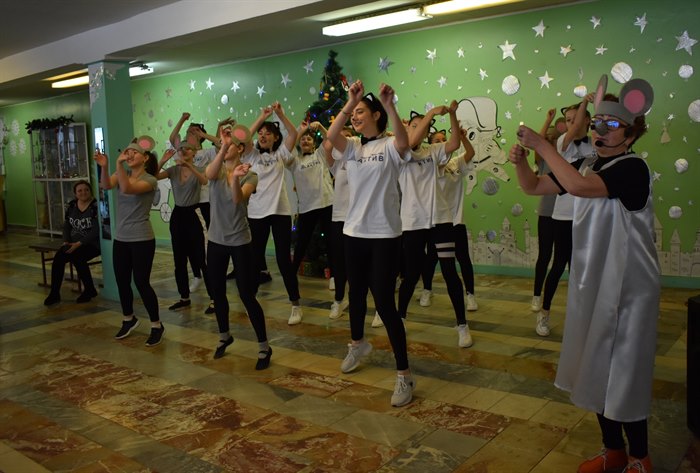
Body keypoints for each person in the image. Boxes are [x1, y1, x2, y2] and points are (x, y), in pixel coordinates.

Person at [509, 75, 657, 473]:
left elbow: (579, 187)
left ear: (630, 133)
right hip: (594, 282)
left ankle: (640, 457)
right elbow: (534, 186)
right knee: (593, 365)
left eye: (611, 125)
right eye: (597, 123)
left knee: (624, 372)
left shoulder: (632, 168)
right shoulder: (587, 163)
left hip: (629, 288)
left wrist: (543, 145)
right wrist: (522, 162)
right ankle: (613, 452)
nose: (599, 130)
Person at [327, 80, 415, 407]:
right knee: (356, 294)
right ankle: (357, 344)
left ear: (377, 115)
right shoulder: (352, 147)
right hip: (354, 232)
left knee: (385, 304)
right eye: (354, 114)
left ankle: (404, 375)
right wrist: (350, 102)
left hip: (384, 235)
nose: (355, 117)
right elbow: (331, 135)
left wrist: (390, 104)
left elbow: (405, 142)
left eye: (362, 112)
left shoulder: (390, 146)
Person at [397, 104, 474, 348]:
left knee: (450, 272)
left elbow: (455, 143)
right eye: (414, 126)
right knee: (411, 275)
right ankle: (400, 319)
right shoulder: (401, 152)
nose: (418, 129)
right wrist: (430, 115)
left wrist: (451, 113)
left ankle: (462, 325)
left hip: (441, 219)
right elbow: (411, 143)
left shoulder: (433, 150)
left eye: (422, 126)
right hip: (413, 222)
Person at [205, 123, 272, 369]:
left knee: (246, 295)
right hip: (216, 240)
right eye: (222, 144)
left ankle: (264, 346)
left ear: (241, 148)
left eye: (230, 143)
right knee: (217, 292)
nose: (223, 146)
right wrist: (223, 148)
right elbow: (210, 175)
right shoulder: (217, 168)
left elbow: (237, 199)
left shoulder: (250, 174)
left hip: (240, 241)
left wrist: (234, 177)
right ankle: (224, 336)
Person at [95, 136, 164, 347]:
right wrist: (105, 166)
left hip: (142, 238)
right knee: (122, 280)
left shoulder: (150, 180)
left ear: (145, 158)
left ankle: (156, 325)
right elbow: (105, 185)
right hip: (121, 238)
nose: (130, 155)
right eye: (128, 152)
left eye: (134, 152)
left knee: (141, 282)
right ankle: (128, 319)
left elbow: (127, 189)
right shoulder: (121, 175)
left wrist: (117, 164)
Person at [534, 96, 593, 337]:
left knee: (583, 269)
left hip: (588, 216)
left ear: (588, 120)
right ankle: (544, 313)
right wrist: (584, 103)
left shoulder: (595, 145)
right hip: (564, 215)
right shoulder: (562, 143)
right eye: (567, 120)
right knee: (559, 264)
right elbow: (575, 129)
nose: (571, 124)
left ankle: (584, 316)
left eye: (575, 119)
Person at [243, 102, 302, 324]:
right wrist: (262, 117)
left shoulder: (280, 154)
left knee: (283, 260)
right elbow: (243, 139)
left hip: (280, 212)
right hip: (256, 213)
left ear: (276, 138)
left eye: (268, 133)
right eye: (261, 133)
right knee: (254, 259)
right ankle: (251, 302)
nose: (263, 135)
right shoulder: (251, 155)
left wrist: (280, 114)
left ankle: (295, 304)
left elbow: (293, 134)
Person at [156, 141, 213, 312]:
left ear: (194, 152)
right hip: (178, 215)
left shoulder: (200, 169)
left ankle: (214, 299)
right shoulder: (173, 170)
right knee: (179, 259)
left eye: (187, 148)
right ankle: (184, 297)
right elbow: (153, 176)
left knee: (202, 259)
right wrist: (162, 160)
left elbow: (204, 181)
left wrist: (189, 166)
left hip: (194, 213)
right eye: (180, 148)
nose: (183, 150)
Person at [168, 113, 220, 295]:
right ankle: (196, 277)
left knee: (203, 246)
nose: (190, 133)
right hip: (187, 204)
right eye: (189, 131)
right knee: (184, 249)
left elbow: (220, 144)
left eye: (194, 131)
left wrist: (203, 135)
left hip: (204, 202)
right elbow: (172, 138)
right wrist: (182, 120)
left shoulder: (206, 153)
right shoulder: (182, 150)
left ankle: (211, 284)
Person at [43, 180, 100, 305]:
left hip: (92, 244)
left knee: (78, 257)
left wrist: (79, 244)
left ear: (90, 191)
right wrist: (66, 241)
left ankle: (89, 290)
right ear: (75, 193)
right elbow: (67, 226)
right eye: (80, 190)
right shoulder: (72, 205)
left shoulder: (96, 206)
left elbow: (96, 230)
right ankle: (54, 293)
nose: (83, 192)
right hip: (73, 243)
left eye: (86, 190)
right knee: (58, 258)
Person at [289, 121, 334, 280]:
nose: (305, 141)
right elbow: (289, 146)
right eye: (303, 139)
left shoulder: (320, 154)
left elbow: (331, 138)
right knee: (301, 243)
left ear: (314, 143)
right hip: (307, 207)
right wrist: (301, 131)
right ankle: (291, 276)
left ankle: (334, 276)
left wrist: (320, 127)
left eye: (309, 139)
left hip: (326, 203)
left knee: (331, 243)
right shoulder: (295, 161)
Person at [530, 109, 563, 314]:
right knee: (544, 255)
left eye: (555, 137)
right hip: (546, 212)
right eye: (548, 138)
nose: (550, 140)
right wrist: (547, 120)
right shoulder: (543, 159)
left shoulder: (566, 157)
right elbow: (537, 142)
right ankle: (536, 295)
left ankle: (548, 300)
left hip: (566, 215)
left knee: (561, 259)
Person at [325, 126, 354, 320]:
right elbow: (328, 146)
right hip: (339, 218)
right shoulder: (337, 163)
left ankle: (377, 307)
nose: (344, 140)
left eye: (348, 136)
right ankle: (339, 300)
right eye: (341, 137)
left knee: (358, 265)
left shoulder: (360, 158)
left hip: (358, 219)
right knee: (339, 263)